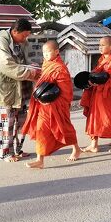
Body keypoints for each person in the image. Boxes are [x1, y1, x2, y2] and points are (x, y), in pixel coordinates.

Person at [0, 18, 40, 162]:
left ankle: (17, 149)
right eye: (24, 35)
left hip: (20, 90)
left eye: (27, 35)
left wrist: (31, 66)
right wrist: (30, 73)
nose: (25, 38)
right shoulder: (0, 43)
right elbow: (7, 66)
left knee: (20, 122)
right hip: (5, 91)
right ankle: (5, 153)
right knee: (6, 124)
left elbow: (23, 61)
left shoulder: (20, 42)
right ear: (14, 31)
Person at [22, 41, 80, 169]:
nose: (46, 55)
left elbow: (65, 91)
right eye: (44, 52)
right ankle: (40, 160)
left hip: (56, 104)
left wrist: (51, 100)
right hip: (43, 106)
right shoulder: (46, 65)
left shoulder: (60, 68)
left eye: (48, 52)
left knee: (64, 128)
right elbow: (44, 82)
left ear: (56, 52)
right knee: (40, 129)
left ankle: (76, 148)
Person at [81, 36, 111, 153]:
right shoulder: (101, 60)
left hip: (109, 93)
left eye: (103, 45)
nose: (100, 47)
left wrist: (99, 83)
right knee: (94, 117)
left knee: (110, 117)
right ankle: (94, 144)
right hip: (98, 92)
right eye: (99, 45)